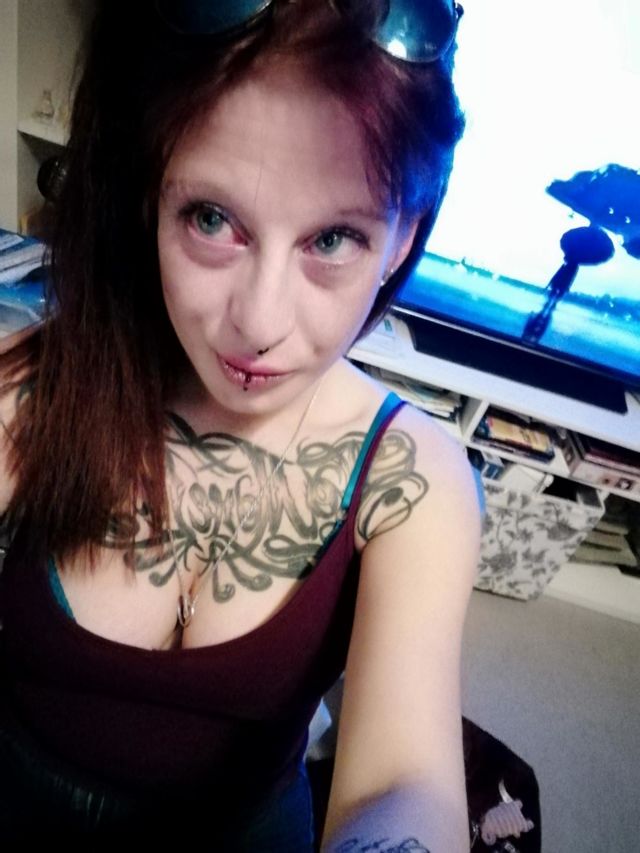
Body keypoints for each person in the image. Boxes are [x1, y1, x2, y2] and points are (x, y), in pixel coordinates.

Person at [0, 1, 482, 849]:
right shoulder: (34, 389)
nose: (260, 323)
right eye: (211, 219)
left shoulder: (415, 482)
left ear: (404, 236)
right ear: (149, 194)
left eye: (333, 238)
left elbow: (405, 780)